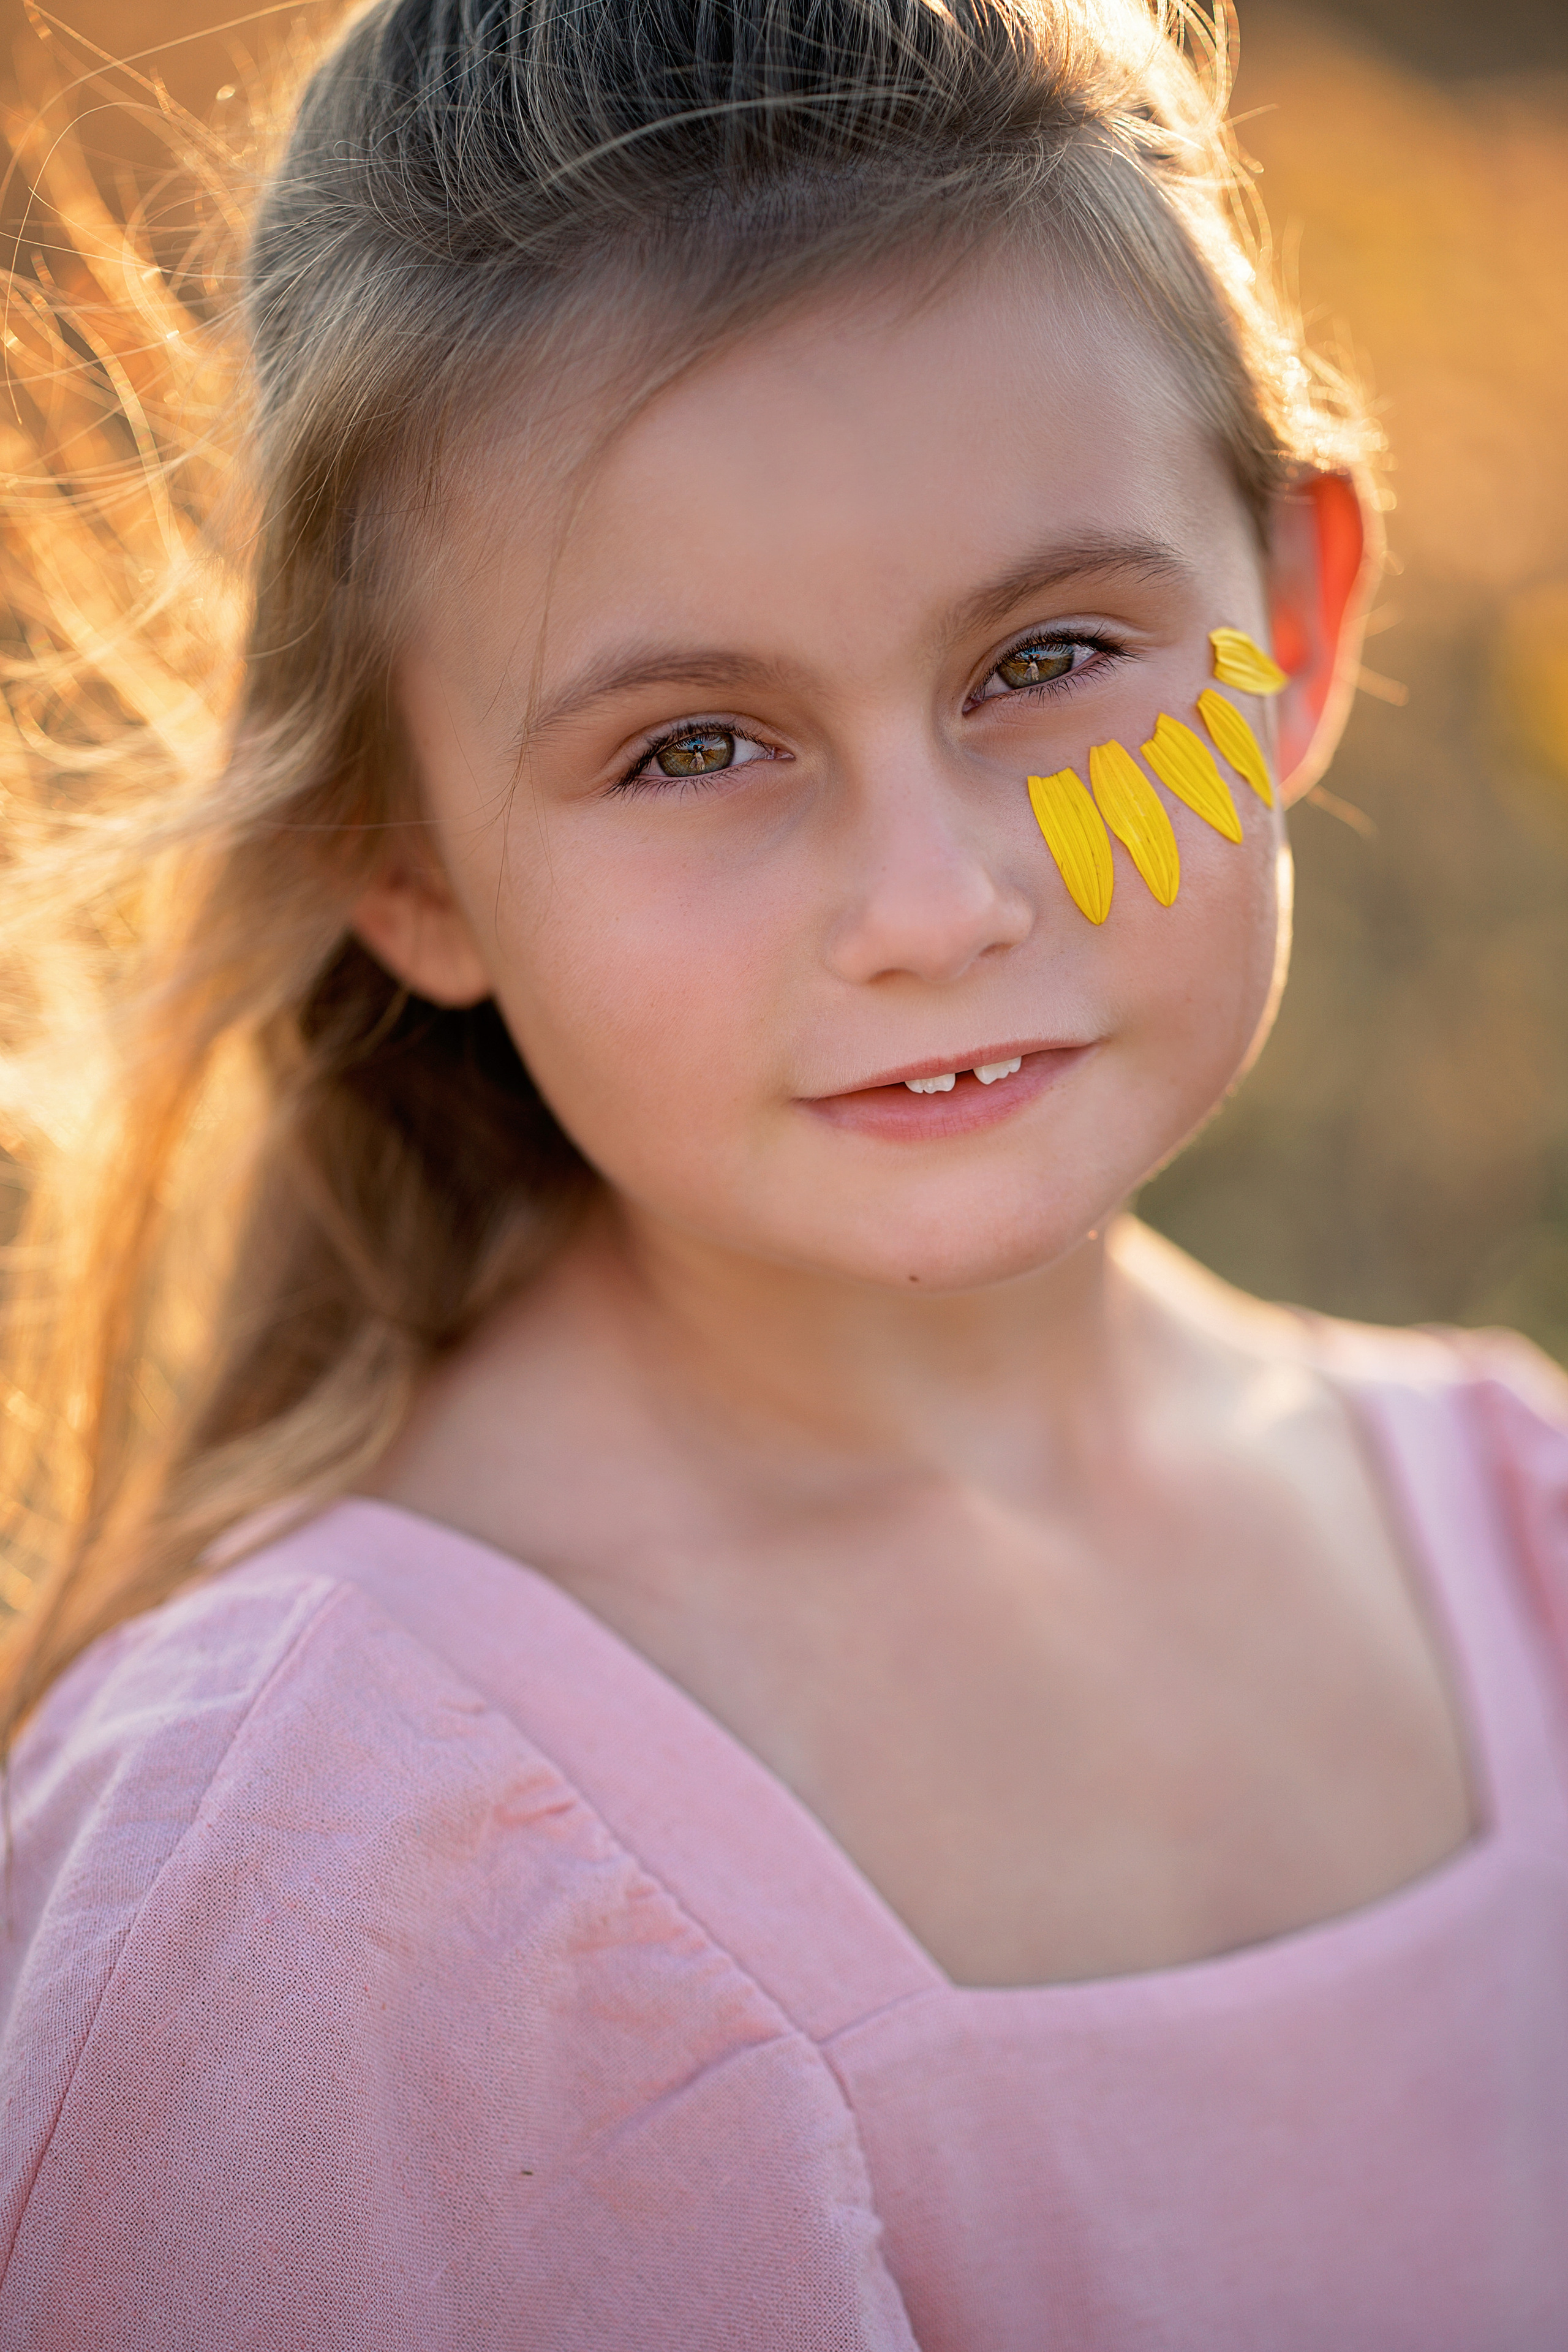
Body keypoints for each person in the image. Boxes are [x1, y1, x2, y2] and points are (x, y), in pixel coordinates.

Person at [1, 0, 1564, 2343]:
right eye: (695, 744)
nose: (934, 906)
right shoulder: (323, 1881)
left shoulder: (1527, 1539)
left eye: (1047, 657)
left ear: (1301, 622)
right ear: (396, 856)